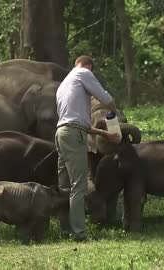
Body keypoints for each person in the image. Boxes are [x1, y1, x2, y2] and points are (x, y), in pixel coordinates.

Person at [55, 55, 120, 241]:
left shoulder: (63, 85)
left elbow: (74, 121)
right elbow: (105, 97)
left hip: (61, 133)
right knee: (79, 185)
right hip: (74, 135)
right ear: (89, 66)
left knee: (65, 185)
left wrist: (103, 134)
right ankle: (79, 234)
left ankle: (65, 229)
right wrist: (113, 113)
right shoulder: (83, 73)